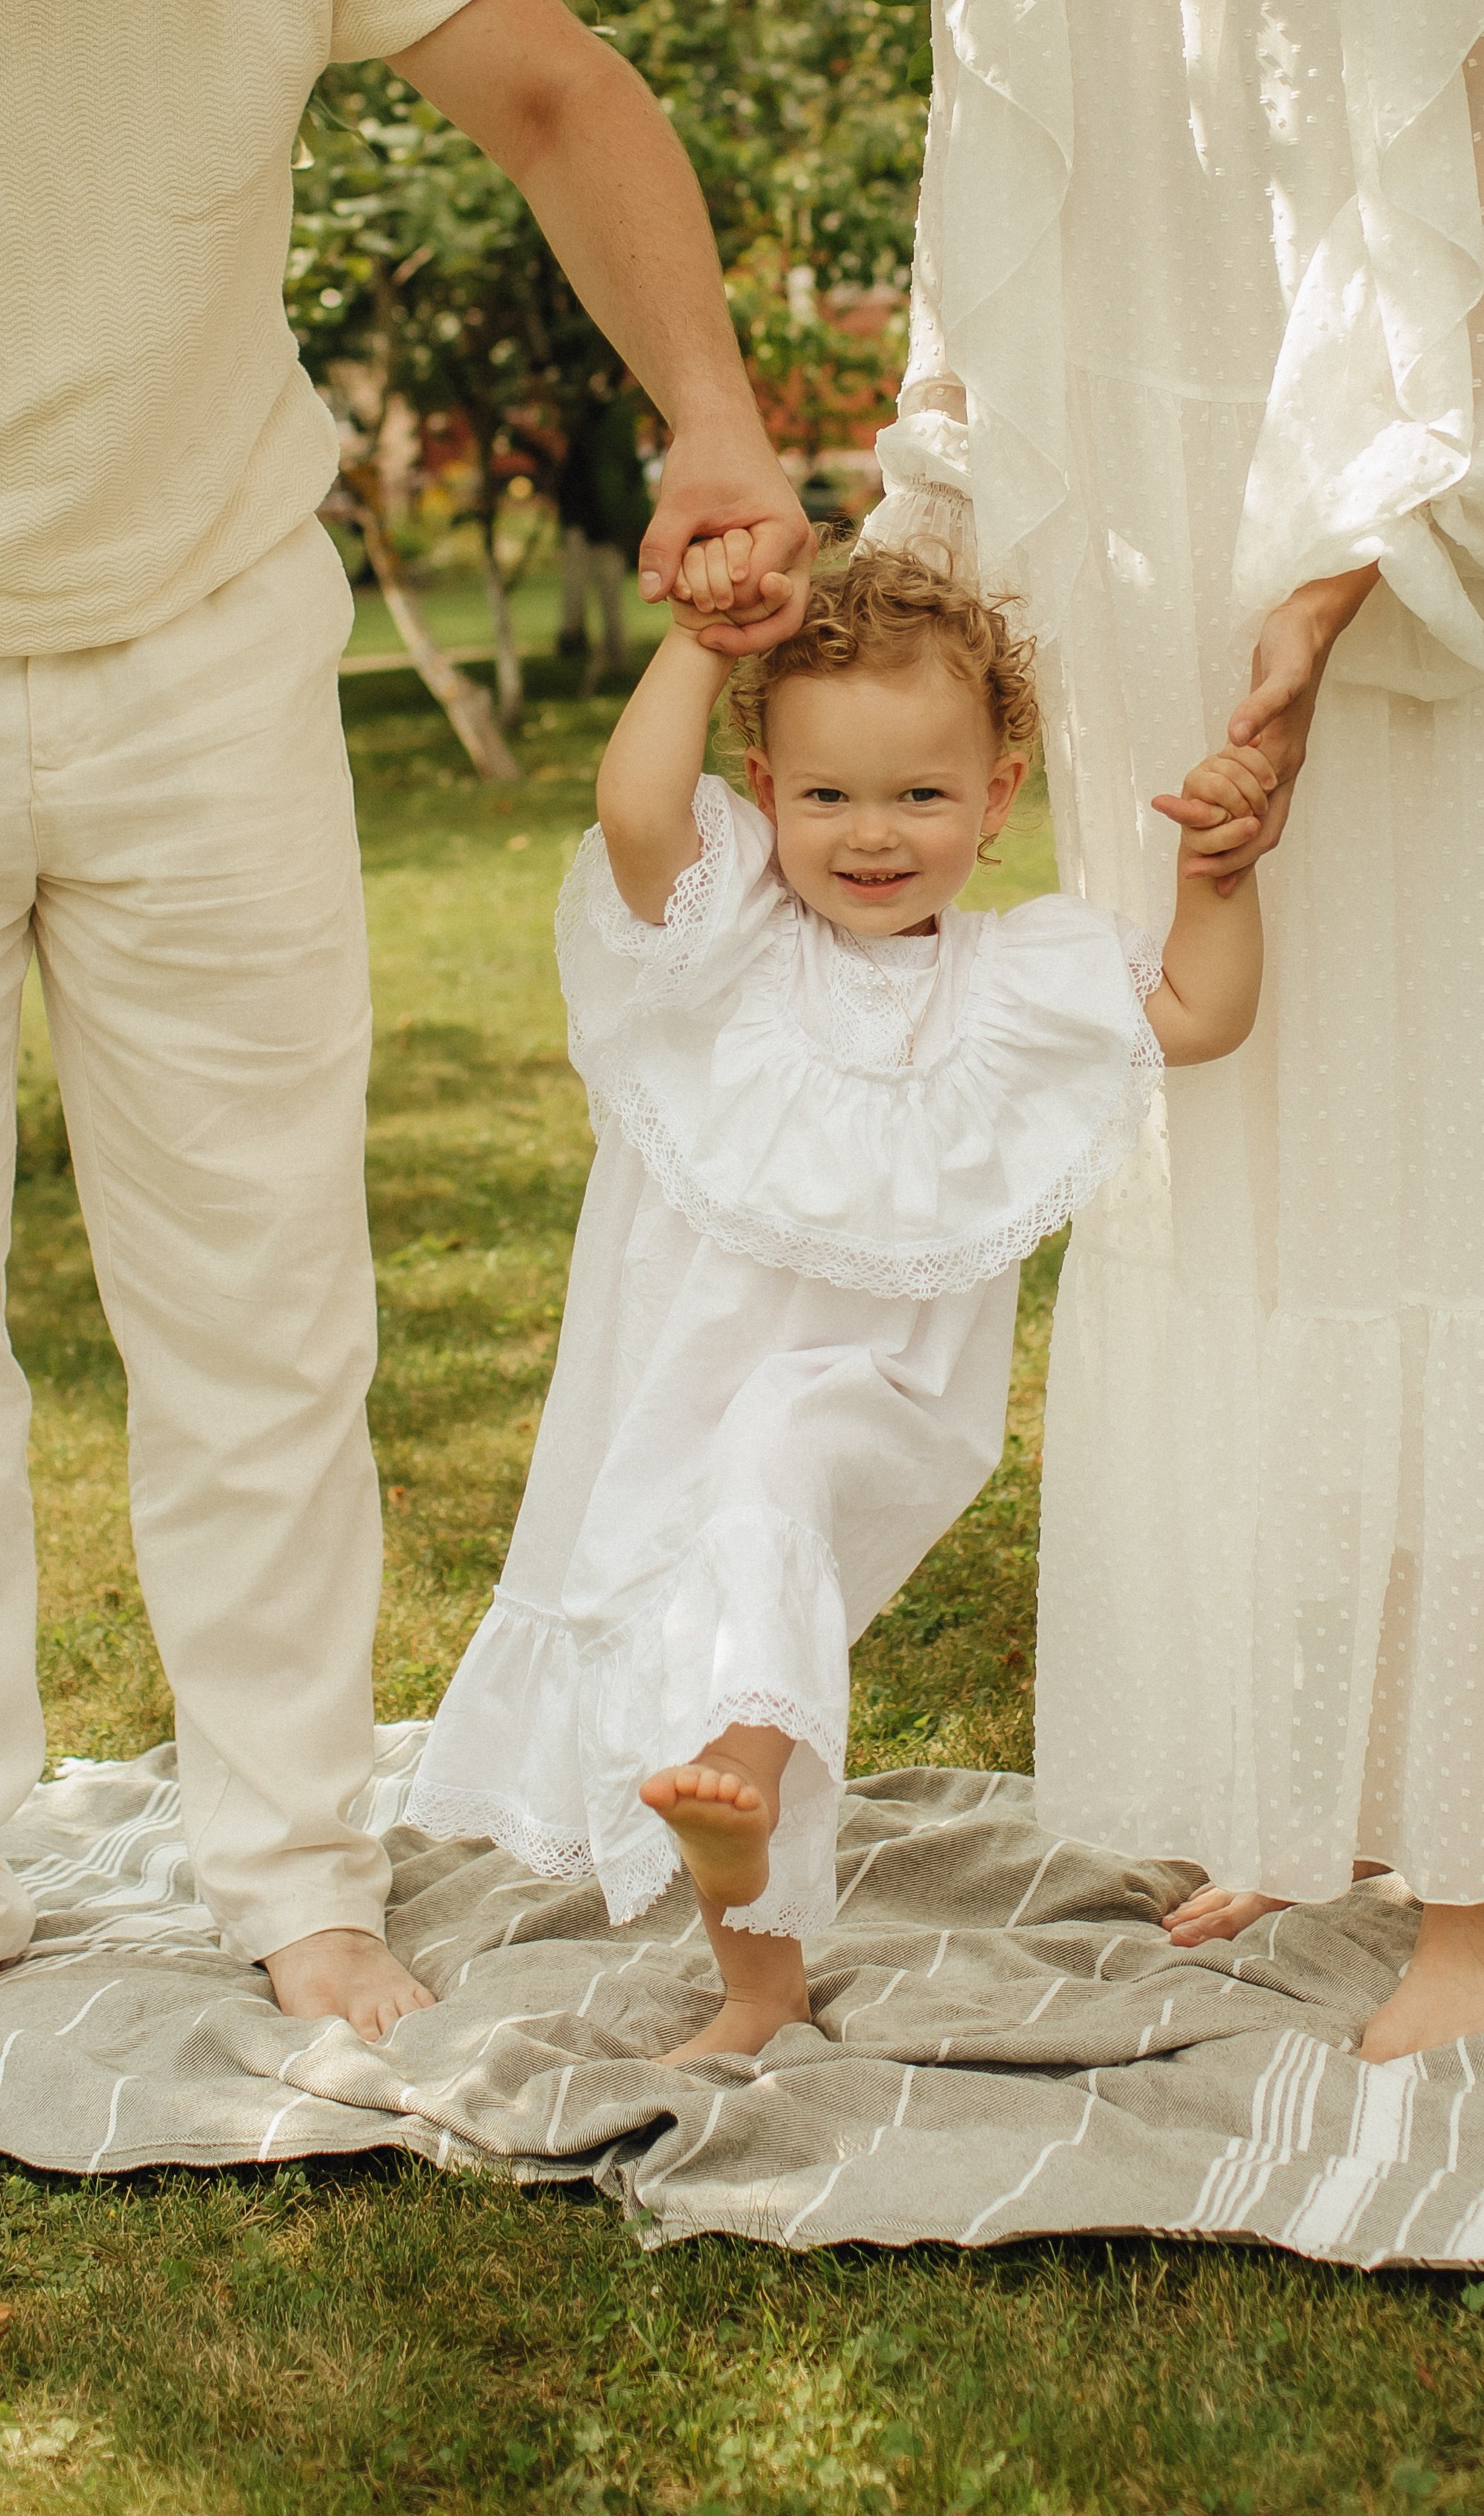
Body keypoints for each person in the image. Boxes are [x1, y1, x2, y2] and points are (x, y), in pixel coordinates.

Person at [866, 1, 1484, 2057]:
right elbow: (981, 238)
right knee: (1242, 1170)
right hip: (1147, 560)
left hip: (1437, 591)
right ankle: (1320, 1784)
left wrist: (1317, 606)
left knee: (1462, 1173)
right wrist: (907, 551)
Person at [0, 0, 812, 2041]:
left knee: (263, 1296)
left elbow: (555, 92)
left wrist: (710, 408)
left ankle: (297, 1871)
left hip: (200, 640)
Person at [405, 544, 1265, 2060]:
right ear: (764, 788)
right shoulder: (731, 942)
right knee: (715, 1600)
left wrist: (1218, 879)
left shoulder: (1015, 980)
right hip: (696, 1374)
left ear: (996, 798)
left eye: (921, 795)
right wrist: (700, 640)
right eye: (827, 796)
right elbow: (637, 815)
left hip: (881, 1393)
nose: (872, 833)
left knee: (771, 1493)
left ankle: (738, 1778)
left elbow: (1201, 1013)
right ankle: (758, 1982)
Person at [555, 371, 652, 694]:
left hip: (600, 534)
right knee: (584, 594)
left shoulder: (603, 451)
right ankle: (582, 643)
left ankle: (611, 656)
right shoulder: (588, 453)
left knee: (605, 598)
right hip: (587, 533)